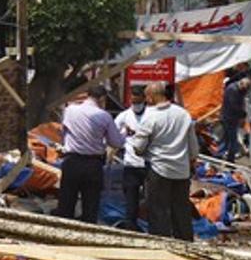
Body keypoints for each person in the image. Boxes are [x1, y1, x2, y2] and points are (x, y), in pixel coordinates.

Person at [129, 82, 199, 241]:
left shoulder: (151, 117)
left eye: (147, 97)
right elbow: (193, 148)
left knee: (158, 210)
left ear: (153, 96)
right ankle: (186, 244)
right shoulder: (183, 114)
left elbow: (138, 147)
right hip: (182, 171)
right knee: (181, 210)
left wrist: (140, 149)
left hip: (159, 170)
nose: (146, 100)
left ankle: (161, 244)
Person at [56, 86, 124, 223]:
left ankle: (60, 235)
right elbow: (116, 143)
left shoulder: (70, 110)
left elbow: (64, 132)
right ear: (103, 99)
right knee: (90, 205)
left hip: (72, 161)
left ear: (88, 95)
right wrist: (124, 134)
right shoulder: (104, 116)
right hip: (93, 164)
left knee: (66, 203)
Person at [114, 85, 150, 231]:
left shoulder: (151, 115)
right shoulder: (124, 116)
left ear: (144, 98)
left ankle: (152, 226)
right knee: (130, 197)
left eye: (138, 100)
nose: (135, 104)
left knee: (151, 198)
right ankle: (131, 225)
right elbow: (114, 134)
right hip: (131, 164)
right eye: (133, 101)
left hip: (149, 163)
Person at [220, 76, 250, 163]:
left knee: (228, 139)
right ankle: (229, 159)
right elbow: (234, 106)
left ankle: (225, 157)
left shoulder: (238, 89)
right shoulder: (233, 90)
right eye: (244, 89)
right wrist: (243, 114)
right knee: (231, 140)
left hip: (232, 117)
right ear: (241, 83)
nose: (245, 91)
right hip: (229, 117)